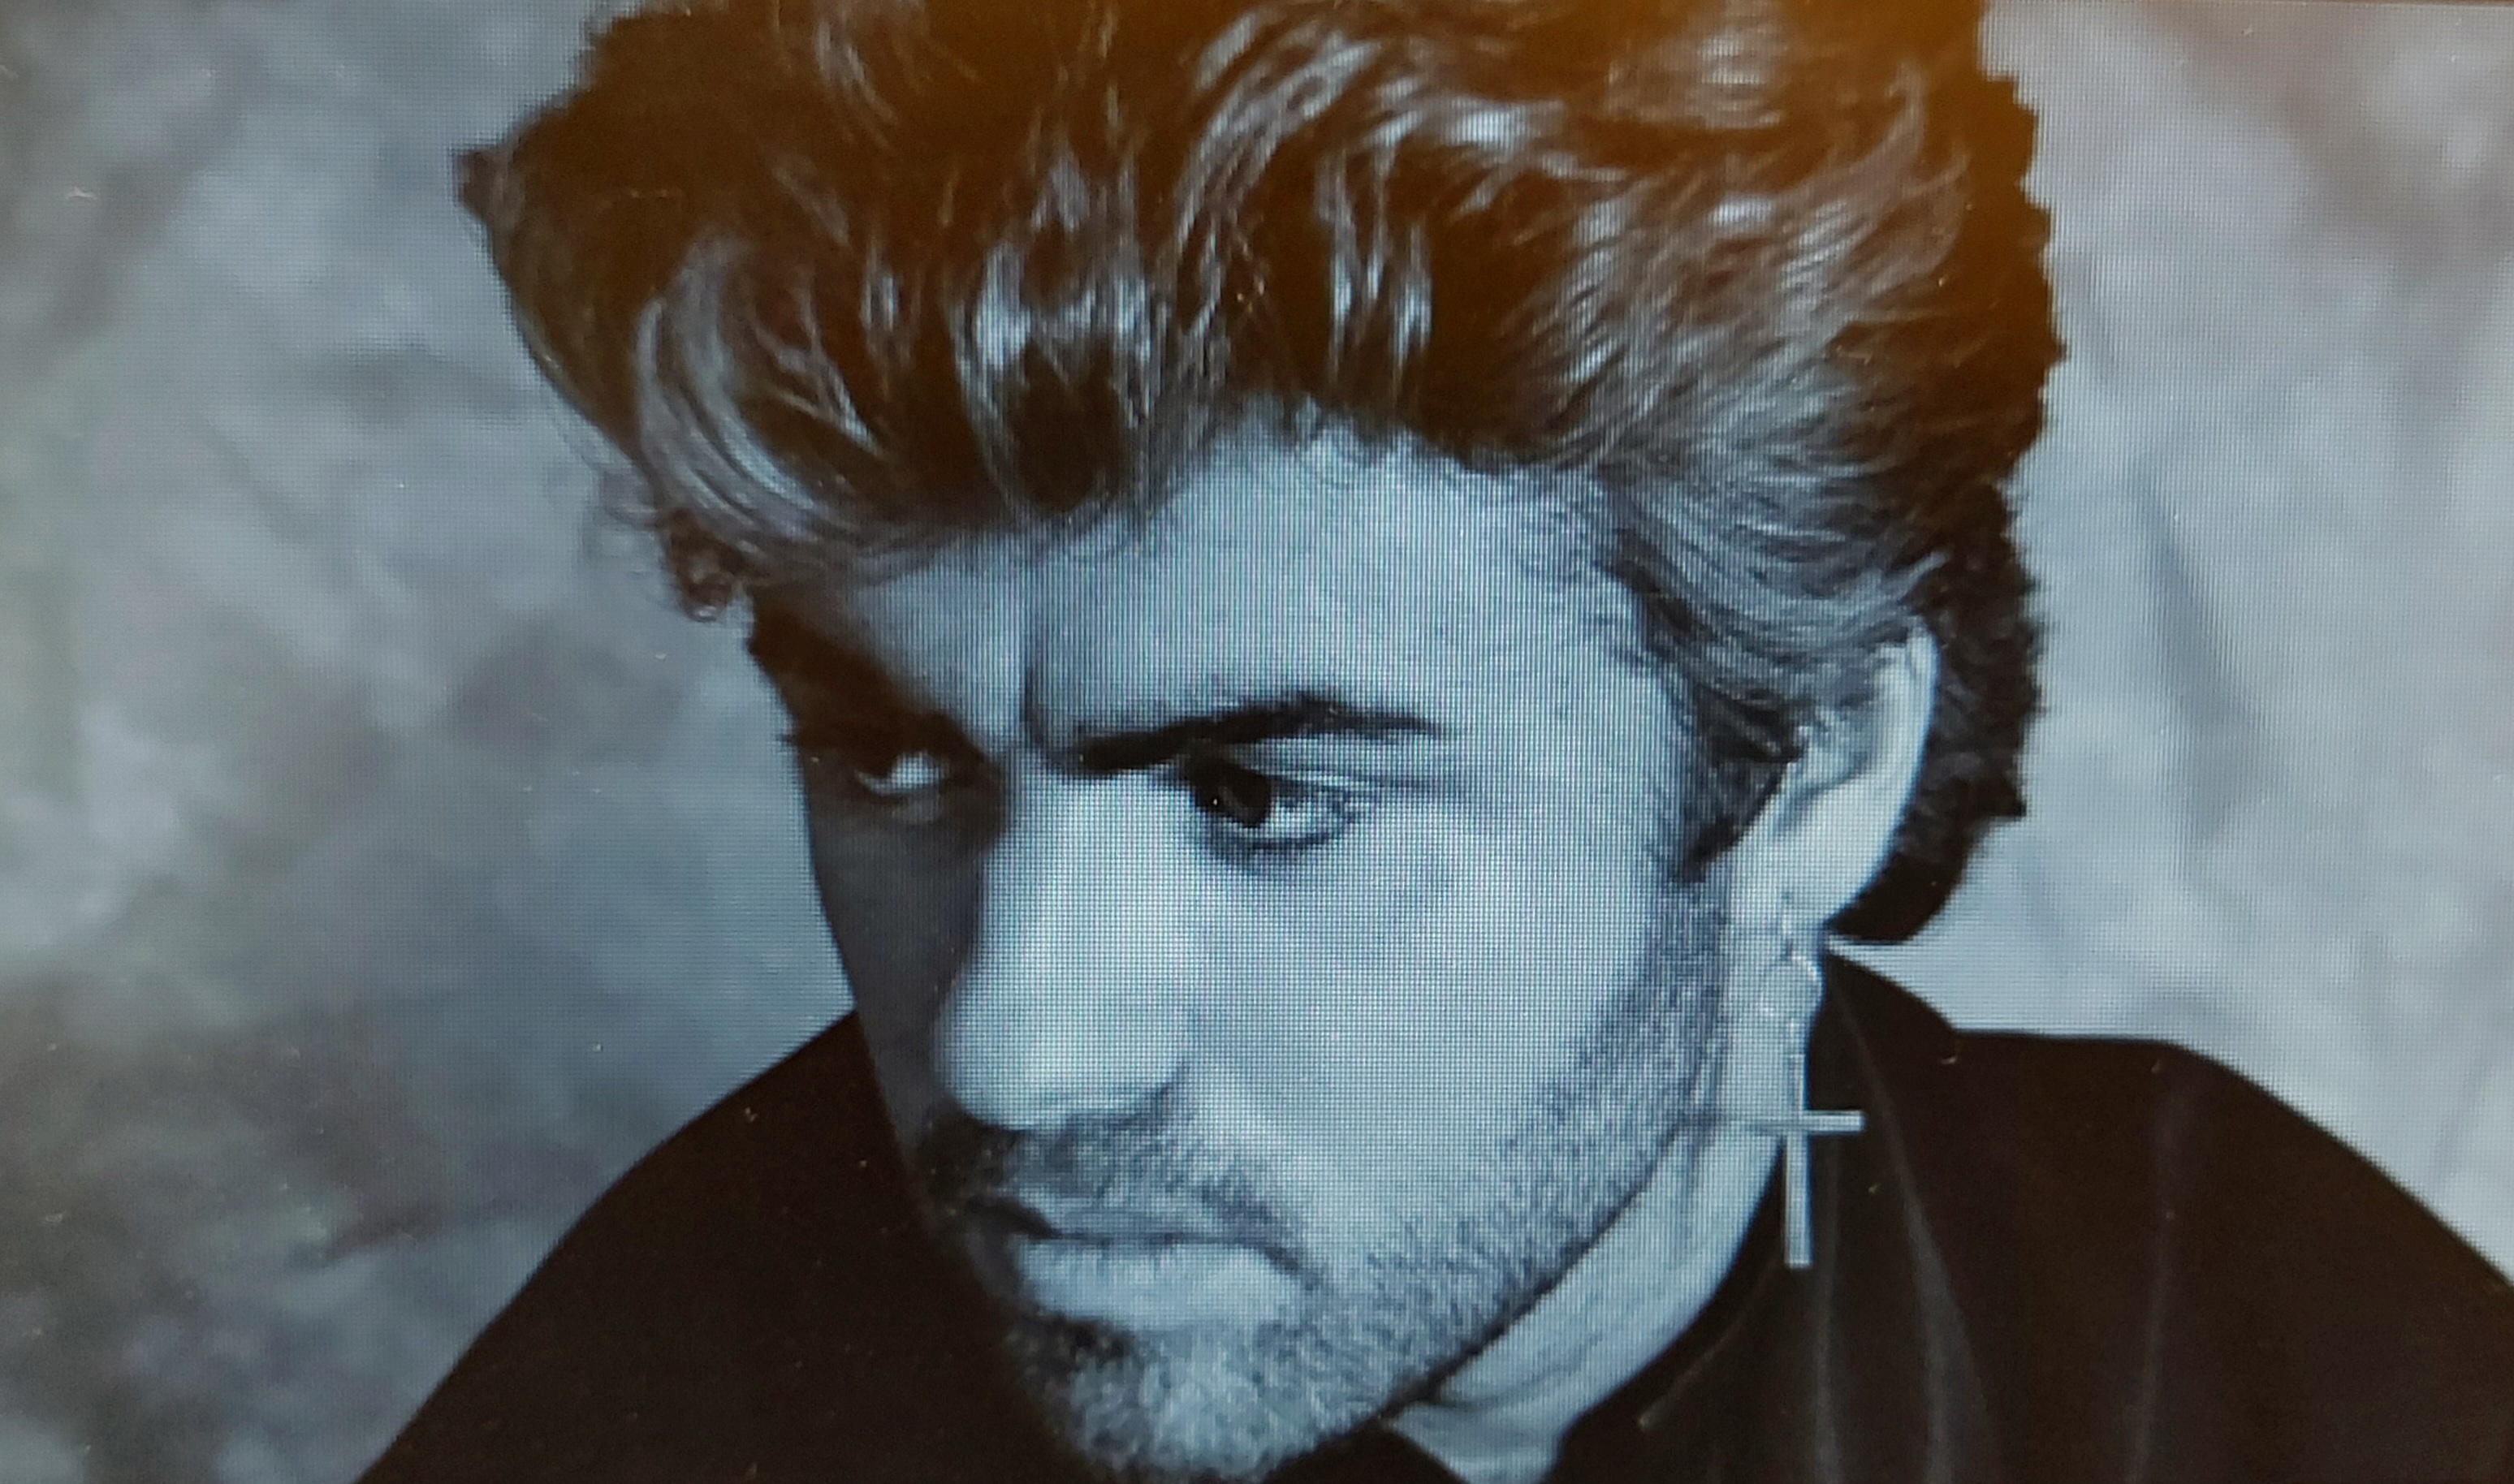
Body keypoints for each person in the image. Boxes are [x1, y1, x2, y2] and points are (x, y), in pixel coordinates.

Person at [360, 0, 2514, 1479]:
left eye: (1262, 796)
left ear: (1812, 774)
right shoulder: (650, 1406)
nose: (1011, 1051)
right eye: (893, 761)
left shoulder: (2275, 1362)